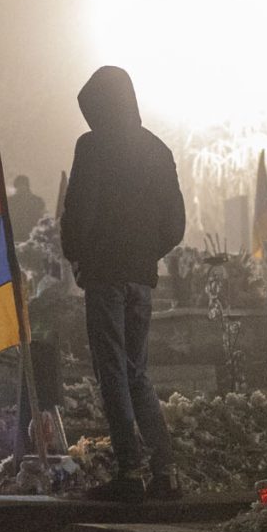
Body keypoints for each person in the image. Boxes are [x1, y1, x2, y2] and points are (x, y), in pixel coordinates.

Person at [60, 67, 186, 500]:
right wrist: (145, 253)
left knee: (112, 370)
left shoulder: (92, 147)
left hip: (105, 276)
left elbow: (79, 211)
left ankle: (129, 474)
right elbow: (176, 225)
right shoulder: (158, 149)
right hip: (141, 278)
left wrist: (79, 254)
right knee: (137, 373)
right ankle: (165, 472)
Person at [7, 174, 48, 244]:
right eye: (19, 185)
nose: (21, 188)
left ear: (27, 186)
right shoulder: (10, 201)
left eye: (22, 185)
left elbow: (42, 218)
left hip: (32, 236)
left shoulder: (37, 201)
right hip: (16, 236)